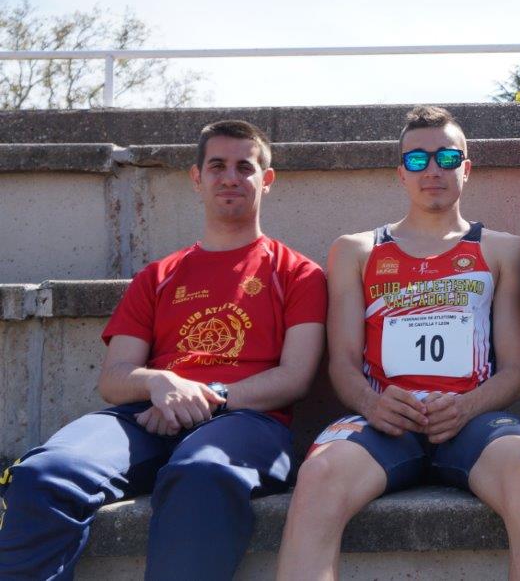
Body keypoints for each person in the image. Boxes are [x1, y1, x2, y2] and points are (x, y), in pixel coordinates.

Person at [0, 120, 328, 579]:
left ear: (266, 179)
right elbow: (115, 378)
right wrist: (160, 382)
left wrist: (205, 398)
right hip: (145, 417)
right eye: (217, 166)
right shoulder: (157, 277)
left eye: (245, 167)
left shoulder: (298, 273)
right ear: (197, 177)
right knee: (44, 473)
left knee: (203, 474)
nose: (230, 177)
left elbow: (295, 377)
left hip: (247, 419)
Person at [276, 106, 520, 580]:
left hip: (472, 419)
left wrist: (467, 406)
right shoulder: (356, 250)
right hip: (384, 422)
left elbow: (516, 372)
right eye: (417, 160)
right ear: (401, 173)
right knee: (319, 474)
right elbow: (343, 365)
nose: (433, 170)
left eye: (447, 158)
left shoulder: (501, 249)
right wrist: (372, 405)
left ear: (466, 168)